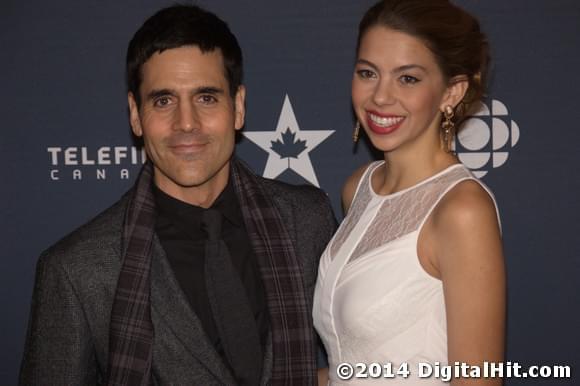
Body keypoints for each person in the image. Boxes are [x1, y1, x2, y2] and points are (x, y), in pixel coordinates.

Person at [20, 5, 335, 385]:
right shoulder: (76, 269)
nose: (186, 123)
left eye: (206, 98)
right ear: (136, 115)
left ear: (238, 106)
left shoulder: (308, 220)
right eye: (163, 100)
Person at [313, 0, 505, 384]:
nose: (380, 97)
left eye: (408, 78)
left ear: (452, 92)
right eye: (368, 73)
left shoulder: (462, 210)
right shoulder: (359, 186)